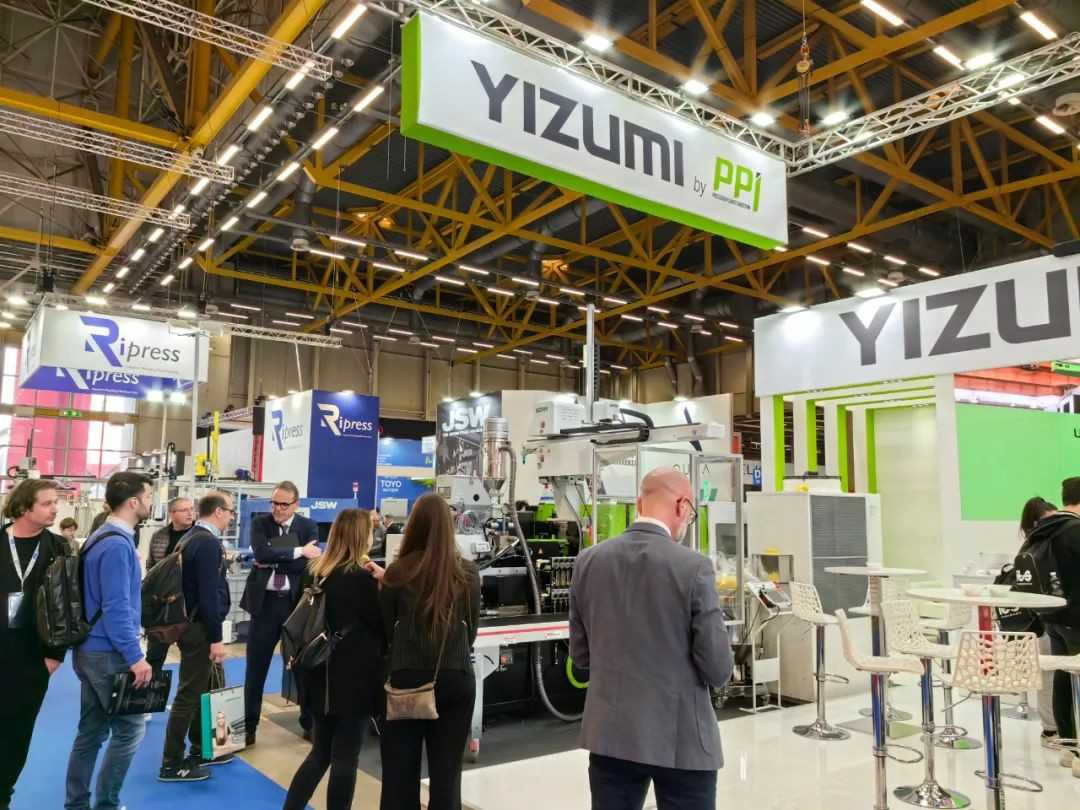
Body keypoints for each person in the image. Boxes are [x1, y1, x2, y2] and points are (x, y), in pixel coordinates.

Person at [569, 467, 733, 810]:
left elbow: (581, 657)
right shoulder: (694, 567)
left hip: (611, 737)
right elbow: (718, 669)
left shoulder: (588, 561)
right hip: (682, 740)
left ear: (640, 503)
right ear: (682, 506)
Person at [373, 493, 480, 810]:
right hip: (456, 678)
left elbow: (386, 629)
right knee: (447, 778)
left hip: (406, 680)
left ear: (414, 526)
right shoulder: (467, 573)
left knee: (398, 777)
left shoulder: (397, 572)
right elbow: (470, 630)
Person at [283, 509, 385, 810]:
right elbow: (380, 626)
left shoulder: (316, 571)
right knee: (346, 757)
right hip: (354, 676)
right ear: (362, 536)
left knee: (320, 753)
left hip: (317, 671)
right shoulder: (363, 578)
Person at [65, 472, 154, 810]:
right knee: (130, 730)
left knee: (91, 731)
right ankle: (107, 803)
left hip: (91, 648)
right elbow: (117, 607)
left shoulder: (100, 536)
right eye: (148, 496)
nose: (151, 502)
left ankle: (77, 803)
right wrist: (135, 657)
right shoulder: (117, 545)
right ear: (133, 502)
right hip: (109, 653)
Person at [0, 479, 72, 810]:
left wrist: (55, 655)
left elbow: (69, 602)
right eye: (47, 503)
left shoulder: (59, 548)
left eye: (56, 502)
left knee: (18, 733)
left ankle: (4, 794)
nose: (55, 509)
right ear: (23, 507)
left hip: (33, 657)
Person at [158, 490, 234, 782]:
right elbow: (208, 594)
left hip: (189, 624)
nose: (231, 517)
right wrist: (216, 638)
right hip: (199, 628)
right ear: (218, 511)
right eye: (230, 512)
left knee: (200, 689)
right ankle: (171, 762)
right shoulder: (207, 543)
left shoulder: (190, 538)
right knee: (189, 694)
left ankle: (201, 747)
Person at [240, 480, 321, 745]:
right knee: (256, 668)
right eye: (274, 503)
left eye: (284, 505)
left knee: (302, 666)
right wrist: (297, 551)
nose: (277, 509)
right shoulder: (260, 523)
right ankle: (248, 726)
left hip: (294, 606)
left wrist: (274, 558)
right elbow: (261, 553)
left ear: (296, 504)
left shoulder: (308, 526)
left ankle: (309, 722)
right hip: (264, 606)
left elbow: (305, 566)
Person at [1025, 478, 1080, 777]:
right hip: (1076, 617)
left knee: (1063, 678)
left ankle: (1069, 748)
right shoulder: (1075, 530)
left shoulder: (1046, 529)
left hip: (1053, 617)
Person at [1019, 496, 1059, 747]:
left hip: (1051, 620)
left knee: (1053, 677)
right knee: (1049, 676)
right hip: (1042, 622)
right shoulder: (1033, 551)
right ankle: (1050, 729)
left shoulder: (1033, 548)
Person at [145, 497, 195, 674]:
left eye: (191, 509)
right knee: (154, 656)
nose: (190, 513)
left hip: (190, 606)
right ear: (172, 514)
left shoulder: (199, 536)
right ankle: (150, 687)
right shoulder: (159, 537)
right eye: (184, 510)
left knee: (193, 659)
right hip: (163, 607)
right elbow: (151, 567)